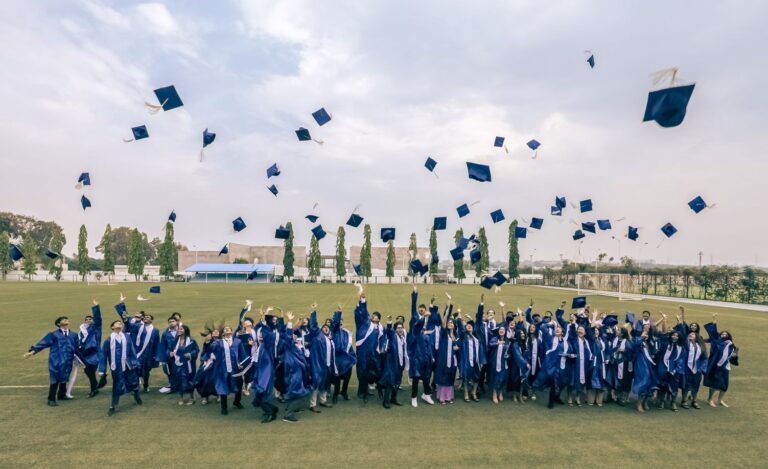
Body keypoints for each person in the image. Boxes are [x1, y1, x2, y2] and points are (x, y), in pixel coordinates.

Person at [24, 316, 79, 406]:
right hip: (56, 360)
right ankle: (51, 399)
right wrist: (32, 352)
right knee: (55, 378)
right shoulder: (53, 334)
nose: (66, 320)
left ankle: (61, 395)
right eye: (63, 320)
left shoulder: (74, 335)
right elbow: (43, 343)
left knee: (65, 376)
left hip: (68, 360)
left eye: (67, 319)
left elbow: (77, 347)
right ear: (58, 324)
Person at [98, 320, 142, 416]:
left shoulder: (127, 337)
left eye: (120, 323)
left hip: (128, 365)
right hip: (116, 367)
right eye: (117, 323)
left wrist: (135, 363)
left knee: (133, 382)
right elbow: (103, 356)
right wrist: (102, 370)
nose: (119, 324)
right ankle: (113, 405)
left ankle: (137, 396)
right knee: (117, 386)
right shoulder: (108, 340)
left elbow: (132, 350)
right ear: (112, 327)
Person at [408, 288, 438, 407]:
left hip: (426, 355)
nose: (421, 309)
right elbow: (414, 307)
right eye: (420, 308)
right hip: (416, 354)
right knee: (416, 377)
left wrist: (431, 356)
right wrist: (415, 292)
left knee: (426, 376)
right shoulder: (416, 323)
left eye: (423, 308)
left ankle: (427, 394)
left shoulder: (428, 324)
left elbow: (429, 344)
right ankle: (414, 397)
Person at [281, 312, 312, 423]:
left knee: (297, 392)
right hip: (293, 372)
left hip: (297, 372)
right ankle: (288, 414)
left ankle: (291, 409)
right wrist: (289, 321)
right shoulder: (289, 346)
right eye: (293, 335)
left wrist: (298, 322)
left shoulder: (295, 346)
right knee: (296, 392)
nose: (295, 336)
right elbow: (289, 334)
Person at [68, 300, 103, 398]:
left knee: (90, 371)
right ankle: (95, 387)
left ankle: (93, 390)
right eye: (87, 319)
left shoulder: (96, 328)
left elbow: (98, 320)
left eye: (90, 319)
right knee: (88, 372)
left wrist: (96, 307)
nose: (89, 320)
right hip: (84, 354)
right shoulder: (81, 331)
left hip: (94, 353)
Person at [353, 286, 383, 403]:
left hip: (374, 353)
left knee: (373, 371)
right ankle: (362, 392)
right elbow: (361, 313)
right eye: (373, 316)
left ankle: (370, 389)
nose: (373, 317)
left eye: (376, 316)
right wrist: (362, 300)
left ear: (379, 319)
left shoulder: (380, 328)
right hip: (364, 352)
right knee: (363, 371)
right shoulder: (365, 323)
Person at [251, 310, 280, 423]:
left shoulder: (269, 339)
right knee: (259, 391)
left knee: (261, 391)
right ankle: (272, 409)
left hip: (266, 369)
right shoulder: (262, 345)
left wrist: (264, 321)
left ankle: (270, 413)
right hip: (261, 368)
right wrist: (262, 317)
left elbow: (266, 332)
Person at [210, 325, 246, 415]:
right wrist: (213, 340)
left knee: (238, 385)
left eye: (228, 328)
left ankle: (237, 401)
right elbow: (212, 348)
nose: (226, 330)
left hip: (236, 368)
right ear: (223, 332)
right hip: (223, 369)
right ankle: (224, 407)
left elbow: (242, 353)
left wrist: (243, 364)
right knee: (223, 387)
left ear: (231, 331)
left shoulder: (237, 341)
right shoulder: (219, 342)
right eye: (225, 329)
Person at [704, 313, 738, 408]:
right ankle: (709, 399)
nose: (723, 335)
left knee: (724, 385)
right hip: (716, 366)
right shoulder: (717, 343)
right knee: (714, 384)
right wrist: (714, 318)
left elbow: (733, 359)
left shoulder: (731, 345)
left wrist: (735, 356)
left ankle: (720, 400)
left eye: (725, 334)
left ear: (728, 336)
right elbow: (713, 332)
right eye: (722, 334)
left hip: (725, 367)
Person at [307, 306, 336, 413]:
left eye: (327, 327)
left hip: (327, 365)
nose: (325, 328)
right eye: (323, 327)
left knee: (324, 383)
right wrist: (313, 311)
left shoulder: (330, 339)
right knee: (316, 384)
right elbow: (313, 325)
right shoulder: (317, 335)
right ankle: (312, 404)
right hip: (317, 364)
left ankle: (323, 401)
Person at [378, 316, 408, 408]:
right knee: (390, 382)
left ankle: (393, 399)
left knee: (397, 382)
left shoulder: (403, 338)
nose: (400, 329)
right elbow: (389, 331)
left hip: (400, 364)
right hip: (392, 364)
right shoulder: (393, 336)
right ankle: (385, 401)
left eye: (401, 328)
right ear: (395, 329)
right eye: (398, 328)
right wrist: (389, 322)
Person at [434, 302, 459, 405]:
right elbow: (443, 323)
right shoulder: (444, 334)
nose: (450, 324)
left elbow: (459, 345)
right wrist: (448, 308)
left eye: (451, 323)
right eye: (449, 323)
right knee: (443, 376)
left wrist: (457, 347)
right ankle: (442, 397)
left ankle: (448, 397)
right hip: (444, 358)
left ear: (454, 325)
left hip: (453, 360)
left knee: (450, 376)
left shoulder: (456, 335)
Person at [456, 312, 483, 402]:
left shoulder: (476, 337)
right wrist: (459, 314)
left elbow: (478, 322)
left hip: (476, 361)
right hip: (467, 361)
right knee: (466, 377)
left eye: (470, 325)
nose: (469, 326)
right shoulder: (464, 336)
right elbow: (460, 326)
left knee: (477, 377)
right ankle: (466, 393)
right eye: (467, 325)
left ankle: (474, 392)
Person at [331, 309, 356, 404]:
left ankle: (344, 392)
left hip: (346, 360)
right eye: (339, 323)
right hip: (337, 360)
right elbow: (336, 324)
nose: (340, 324)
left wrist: (352, 358)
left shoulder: (347, 333)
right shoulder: (334, 332)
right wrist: (338, 312)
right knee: (337, 379)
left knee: (347, 378)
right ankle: (335, 395)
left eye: (342, 322)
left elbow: (349, 347)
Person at [171, 324, 198, 405]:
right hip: (178, 364)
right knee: (179, 380)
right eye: (178, 329)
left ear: (185, 330)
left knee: (189, 380)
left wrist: (190, 354)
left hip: (188, 364)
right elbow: (169, 349)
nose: (179, 330)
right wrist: (170, 353)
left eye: (181, 329)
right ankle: (181, 398)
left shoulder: (191, 340)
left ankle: (191, 398)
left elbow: (196, 350)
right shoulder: (175, 341)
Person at [656, 328, 684, 411]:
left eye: (677, 336)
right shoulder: (665, 344)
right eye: (673, 335)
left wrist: (676, 369)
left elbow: (681, 359)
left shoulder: (680, 348)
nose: (675, 337)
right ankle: (662, 401)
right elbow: (660, 336)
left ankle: (673, 403)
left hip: (674, 367)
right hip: (663, 366)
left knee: (674, 385)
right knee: (663, 384)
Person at [680, 329, 708, 409]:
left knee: (696, 386)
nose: (690, 335)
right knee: (685, 385)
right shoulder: (686, 344)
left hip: (696, 369)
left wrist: (702, 368)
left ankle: (694, 401)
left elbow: (705, 358)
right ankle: (684, 400)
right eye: (690, 334)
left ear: (697, 337)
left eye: (692, 334)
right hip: (687, 368)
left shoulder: (701, 346)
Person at [133, 313, 160, 393]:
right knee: (136, 370)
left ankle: (146, 384)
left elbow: (156, 343)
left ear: (151, 320)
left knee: (146, 372)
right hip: (138, 353)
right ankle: (136, 386)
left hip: (148, 354)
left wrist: (156, 355)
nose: (145, 318)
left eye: (148, 317)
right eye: (144, 317)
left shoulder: (155, 330)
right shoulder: (138, 327)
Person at [156, 316, 180, 394]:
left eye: (173, 321)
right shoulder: (165, 334)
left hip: (181, 356)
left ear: (177, 322)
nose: (171, 323)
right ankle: (173, 388)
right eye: (169, 322)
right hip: (170, 357)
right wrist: (168, 353)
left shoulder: (181, 331)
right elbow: (163, 346)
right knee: (171, 372)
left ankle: (182, 387)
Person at [488, 325, 510, 404]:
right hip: (495, 362)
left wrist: (508, 356)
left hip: (504, 363)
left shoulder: (508, 341)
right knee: (496, 378)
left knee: (503, 378)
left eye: (503, 329)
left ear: (505, 331)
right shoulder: (495, 339)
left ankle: (500, 392)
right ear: (498, 331)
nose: (501, 330)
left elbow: (509, 352)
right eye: (500, 329)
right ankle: (494, 394)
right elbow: (490, 345)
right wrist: (498, 343)